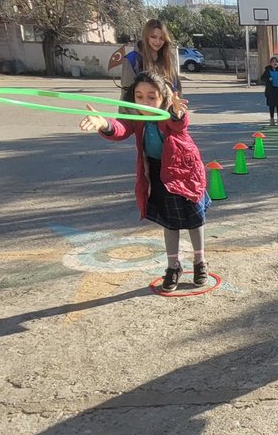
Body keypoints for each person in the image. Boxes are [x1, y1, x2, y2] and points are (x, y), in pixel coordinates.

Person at [79, 70, 209, 292]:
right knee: (170, 222)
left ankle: (200, 262)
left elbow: (179, 124)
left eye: (151, 96)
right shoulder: (136, 118)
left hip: (183, 171)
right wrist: (104, 124)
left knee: (194, 220)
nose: (145, 101)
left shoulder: (169, 111)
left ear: (162, 97)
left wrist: (177, 112)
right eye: (139, 96)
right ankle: (173, 266)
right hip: (159, 174)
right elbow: (120, 129)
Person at [108, 20, 180, 95]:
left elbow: (176, 89)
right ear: (146, 37)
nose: (157, 41)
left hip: (166, 105)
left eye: (161, 38)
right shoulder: (132, 59)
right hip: (141, 106)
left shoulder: (169, 59)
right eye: (153, 37)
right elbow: (127, 94)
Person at [260, 56, 278, 126]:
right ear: (270, 63)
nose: (275, 63)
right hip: (271, 90)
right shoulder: (268, 70)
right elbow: (262, 78)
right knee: (272, 105)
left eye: (276, 62)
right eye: (273, 62)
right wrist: (268, 79)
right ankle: (272, 119)